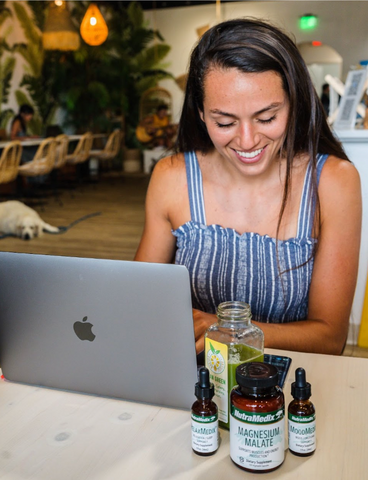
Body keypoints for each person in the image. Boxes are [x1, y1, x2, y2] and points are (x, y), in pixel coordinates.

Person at [134, 19, 362, 356]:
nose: (247, 140)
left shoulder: (333, 182)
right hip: (194, 383)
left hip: (286, 387)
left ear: (293, 103)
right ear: (200, 113)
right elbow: (136, 300)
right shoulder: (172, 177)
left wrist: (228, 332)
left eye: (267, 118)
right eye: (224, 122)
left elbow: (329, 338)